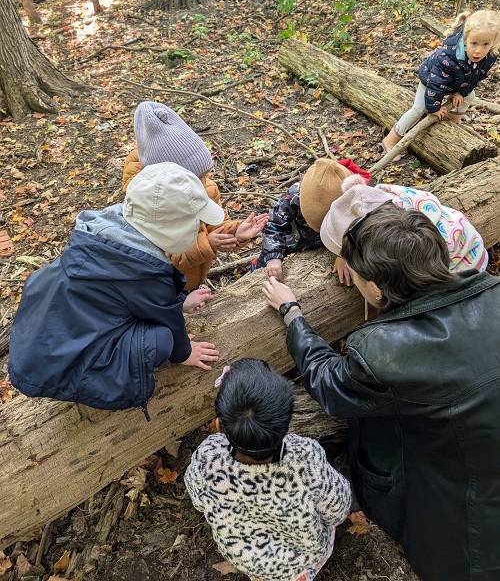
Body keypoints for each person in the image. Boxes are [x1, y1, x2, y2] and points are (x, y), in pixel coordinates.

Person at [263, 203, 500, 581]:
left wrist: (292, 313)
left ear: (374, 287)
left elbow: (328, 382)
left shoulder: (383, 353)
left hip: (464, 520)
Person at [9, 163, 224, 416]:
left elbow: (123, 297)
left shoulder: (105, 233)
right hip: (62, 365)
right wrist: (183, 352)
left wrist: (180, 302)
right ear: (176, 227)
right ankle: (92, 383)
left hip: (44, 338)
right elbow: (164, 316)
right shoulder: (145, 272)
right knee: (162, 339)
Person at [184, 358, 352, 581]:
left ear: (218, 426)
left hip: (251, 562)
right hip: (301, 562)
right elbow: (337, 511)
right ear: (287, 424)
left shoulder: (206, 458)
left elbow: (198, 501)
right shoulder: (306, 457)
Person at [123, 101, 268, 290]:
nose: (204, 183)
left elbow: (216, 225)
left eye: (206, 174)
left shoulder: (206, 188)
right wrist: (207, 244)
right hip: (165, 289)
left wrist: (235, 232)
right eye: (197, 177)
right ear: (170, 178)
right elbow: (165, 256)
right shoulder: (151, 204)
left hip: (191, 282)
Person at [321, 179, 488, 286]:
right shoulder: (384, 198)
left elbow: (398, 278)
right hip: (469, 240)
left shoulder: (403, 246)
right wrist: (343, 255)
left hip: (462, 269)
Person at [382, 9, 499, 152]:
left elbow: (477, 76)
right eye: (474, 43)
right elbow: (436, 85)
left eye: (485, 44)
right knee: (419, 109)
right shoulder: (448, 58)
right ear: (465, 38)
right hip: (431, 80)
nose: (478, 51)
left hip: (456, 82)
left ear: (493, 42)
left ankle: (453, 119)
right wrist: (435, 108)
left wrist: (461, 92)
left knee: (470, 95)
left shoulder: (489, 57)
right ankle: (390, 139)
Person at [252, 158, 370, 282]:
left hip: (321, 246)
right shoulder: (294, 197)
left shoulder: (354, 200)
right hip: (289, 244)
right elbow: (274, 225)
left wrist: (344, 253)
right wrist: (273, 257)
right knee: (264, 265)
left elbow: (358, 228)